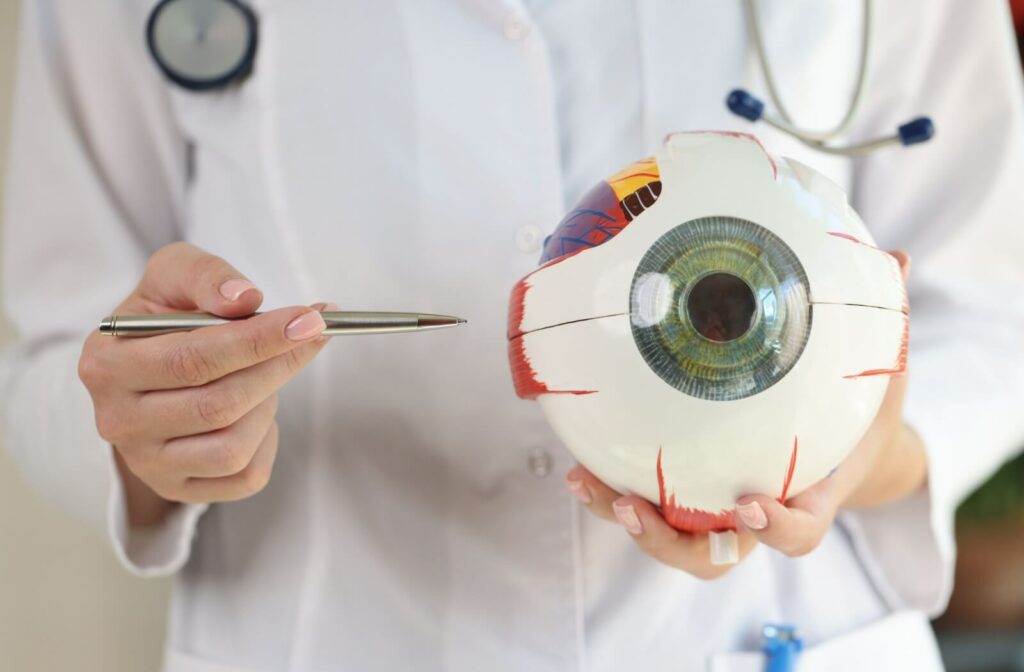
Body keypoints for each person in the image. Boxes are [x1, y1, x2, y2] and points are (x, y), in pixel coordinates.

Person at [2, 1, 1023, 670]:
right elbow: (57, 340)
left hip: (765, 632)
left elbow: (991, 300)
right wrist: (156, 421)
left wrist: (868, 453)